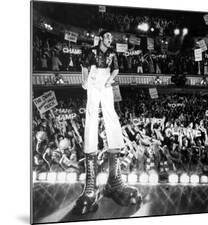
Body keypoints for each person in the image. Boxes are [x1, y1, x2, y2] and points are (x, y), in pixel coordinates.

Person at [74, 30, 142, 215]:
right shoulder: (92, 51)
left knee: (112, 117)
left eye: (111, 38)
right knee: (91, 117)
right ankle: (91, 184)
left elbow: (117, 69)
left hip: (105, 83)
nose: (110, 39)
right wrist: (85, 81)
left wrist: (109, 81)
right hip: (94, 80)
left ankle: (114, 180)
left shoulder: (112, 54)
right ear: (101, 38)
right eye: (107, 37)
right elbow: (84, 66)